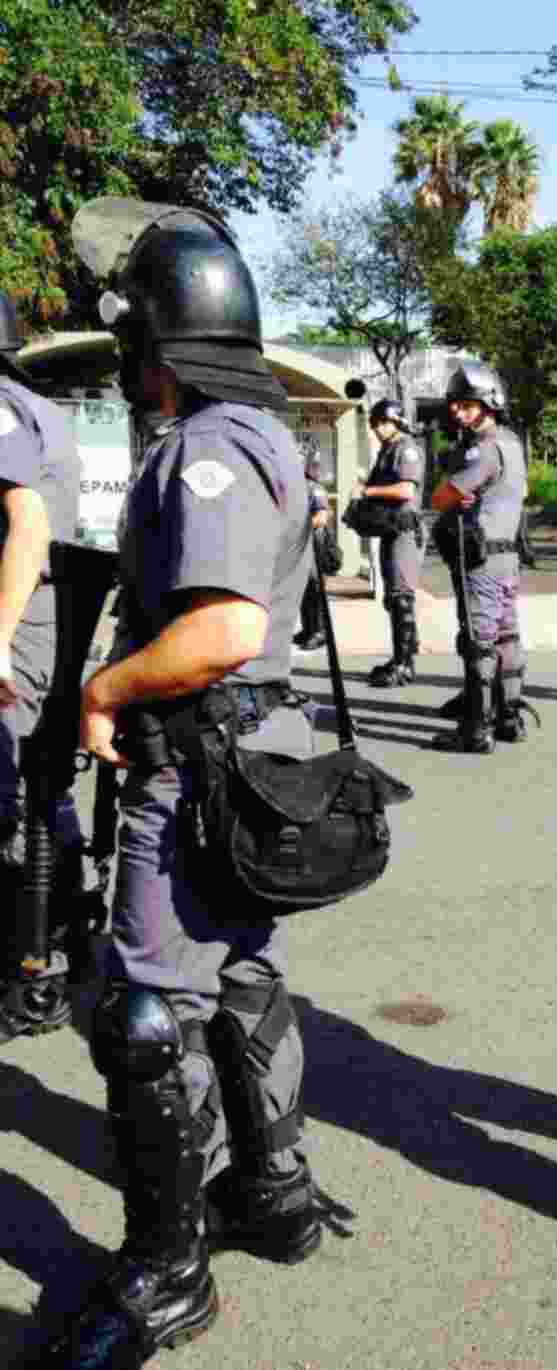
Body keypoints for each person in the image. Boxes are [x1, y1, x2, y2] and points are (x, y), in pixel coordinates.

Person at [39, 197, 322, 1368]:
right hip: (247, 759)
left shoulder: (207, 448)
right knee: (243, 975)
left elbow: (219, 628)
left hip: (199, 757)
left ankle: (169, 1271)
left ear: (156, 343)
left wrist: (105, 690)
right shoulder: (259, 432)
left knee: (146, 1010)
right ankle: (274, 1188)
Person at [0, 289, 84, 1042]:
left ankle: (30, 974)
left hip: (19, 623)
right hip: (42, 621)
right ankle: (51, 956)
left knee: (10, 800)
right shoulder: (31, 403)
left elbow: (24, 520)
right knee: (40, 793)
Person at [431, 362, 528, 753]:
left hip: (482, 560)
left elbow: (440, 498)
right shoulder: (512, 444)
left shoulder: (484, 449)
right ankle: (509, 718)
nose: (457, 410)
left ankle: (476, 729)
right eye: (456, 404)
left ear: (488, 404)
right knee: (507, 638)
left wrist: (454, 489)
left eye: (466, 404)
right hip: (507, 557)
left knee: (478, 641)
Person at [358, 397, 424, 687]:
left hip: (404, 531)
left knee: (401, 598)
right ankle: (401, 656)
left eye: (380, 423)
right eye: (374, 424)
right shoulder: (389, 449)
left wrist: (368, 492)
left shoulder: (406, 449)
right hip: (390, 529)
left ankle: (403, 665)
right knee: (393, 598)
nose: (375, 428)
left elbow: (406, 490)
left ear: (394, 421)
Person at [293, 442, 330, 652]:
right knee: (304, 589)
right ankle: (308, 629)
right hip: (300, 545)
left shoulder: (313, 487)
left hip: (313, 545)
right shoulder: (294, 486)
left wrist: (298, 526)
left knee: (315, 590)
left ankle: (320, 632)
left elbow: (322, 517)